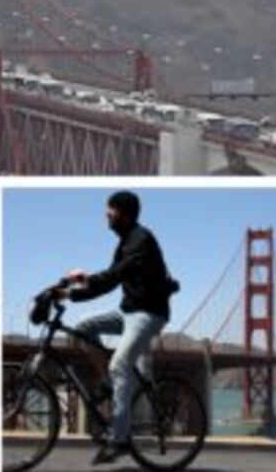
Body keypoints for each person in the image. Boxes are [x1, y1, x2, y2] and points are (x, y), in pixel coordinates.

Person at [57, 190, 177, 465]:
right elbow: (109, 281)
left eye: (110, 211)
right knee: (84, 327)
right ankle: (110, 383)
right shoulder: (125, 242)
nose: (106, 215)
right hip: (128, 311)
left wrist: (72, 291)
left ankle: (120, 440)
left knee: (120, 365)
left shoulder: (141, 240)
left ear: (124, 214)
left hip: (149, 314)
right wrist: (77, 286)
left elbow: (112, 277)